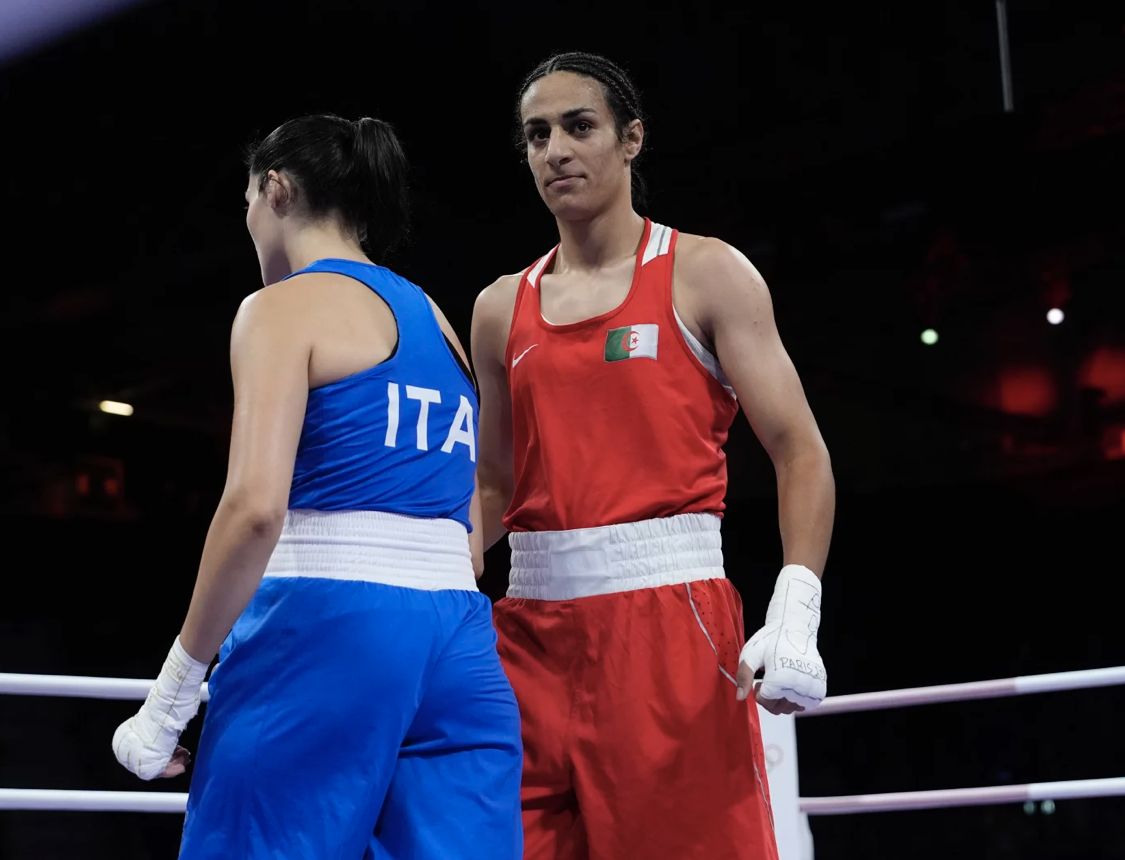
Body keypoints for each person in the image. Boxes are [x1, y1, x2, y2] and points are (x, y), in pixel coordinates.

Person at [112, 113, 523, 860]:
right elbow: (469, 541)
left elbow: (254, 508)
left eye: (245, 201)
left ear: (274, 189)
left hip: (329, 625)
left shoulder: (280, 308)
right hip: (460, 641)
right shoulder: (436, 319)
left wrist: (171, 697)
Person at [471, 53, 836, 860]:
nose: (555, 150)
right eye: (537, 134)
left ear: (631, 138)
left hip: (670, 625)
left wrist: (796, 609)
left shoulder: (708, 273)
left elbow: (799, 449)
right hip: (527, 634)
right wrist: (416, 579)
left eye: (578, 126)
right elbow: (495, 482)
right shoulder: (500, 307)